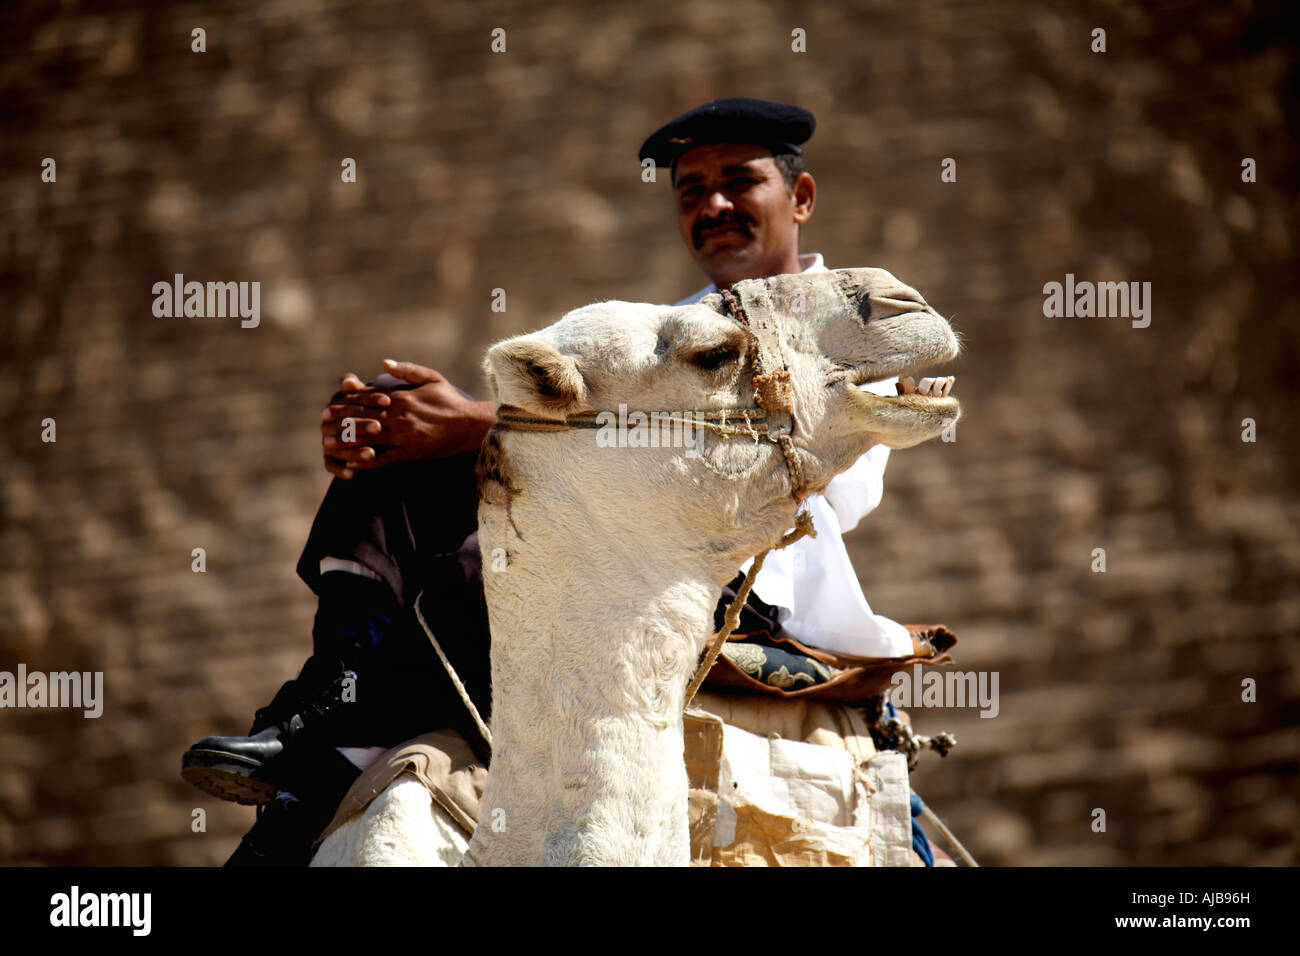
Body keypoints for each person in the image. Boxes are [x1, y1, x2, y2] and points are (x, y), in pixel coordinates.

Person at [182, 97, 950, 865]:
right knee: (400, 458)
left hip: (729, 579)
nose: (713, 205)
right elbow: (579, 432)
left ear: (801, 198)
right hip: (629, 540)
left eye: (738, 182)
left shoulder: (848, 323)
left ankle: (331, 750)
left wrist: (468, 424)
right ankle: (326, 714)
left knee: (502, 558)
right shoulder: (677, 324)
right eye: (690, 190)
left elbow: (793, 472)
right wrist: (392, 427)